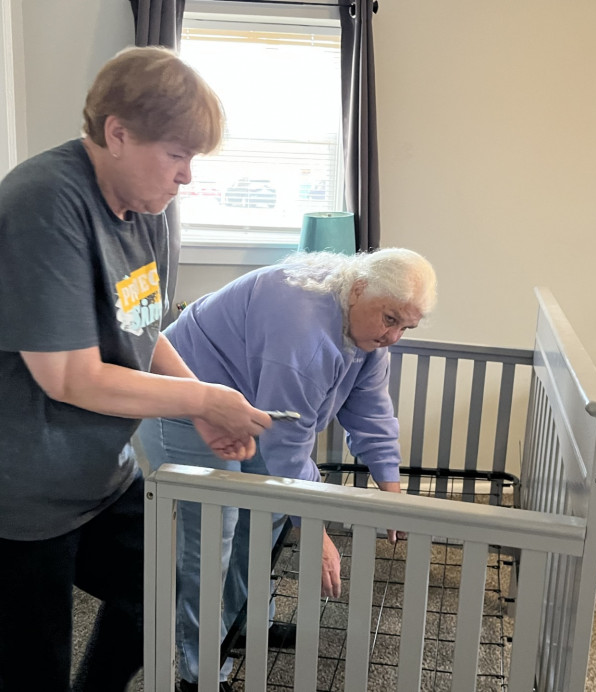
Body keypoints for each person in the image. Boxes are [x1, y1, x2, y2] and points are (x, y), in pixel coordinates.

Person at [0, 46, 272, 692]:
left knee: (157, 591)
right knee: (31, 668)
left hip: (93, 475)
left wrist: (196, 398)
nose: (187, 176)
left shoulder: (149, 211)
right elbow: (69, 378)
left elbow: (144, 326)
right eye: (177, 155)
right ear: (116, 133)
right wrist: (203, 403)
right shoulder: (40, 209)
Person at [138, 247, 438, 692]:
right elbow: (288, 445)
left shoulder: (367, 327)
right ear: (358, 289)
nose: (394, 336)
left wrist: (389, 487)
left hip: (252, 408)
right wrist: (314, 530)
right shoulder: (304, 327)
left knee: (264, 521)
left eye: (406, 327)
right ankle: (199, 673)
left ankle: (247, 625)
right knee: (212, 537)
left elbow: (371, 409)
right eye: (390, 320)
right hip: (183, 406)